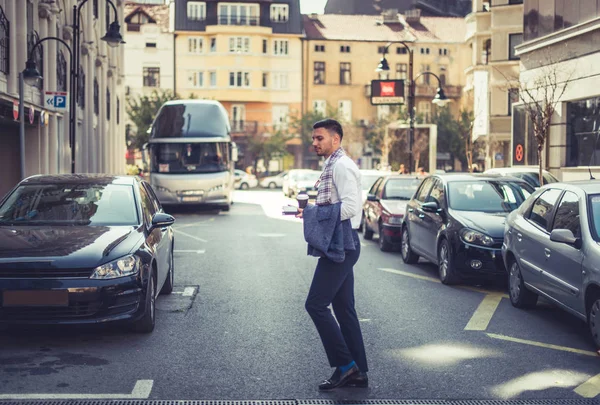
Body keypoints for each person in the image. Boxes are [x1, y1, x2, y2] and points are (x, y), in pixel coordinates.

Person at [296, 118, 369, 390]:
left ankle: (347, 366)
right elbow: (334, 204)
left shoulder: (341, 165)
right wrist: (310, 211)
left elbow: (351, 207)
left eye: (319, 138)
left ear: (335, 140)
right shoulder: (332, 164)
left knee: (315, 304)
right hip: (338, 241)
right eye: (313, 138)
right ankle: (358, 371)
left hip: (343, 243)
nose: (314, 143)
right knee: (344, 309)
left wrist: (315, 213)